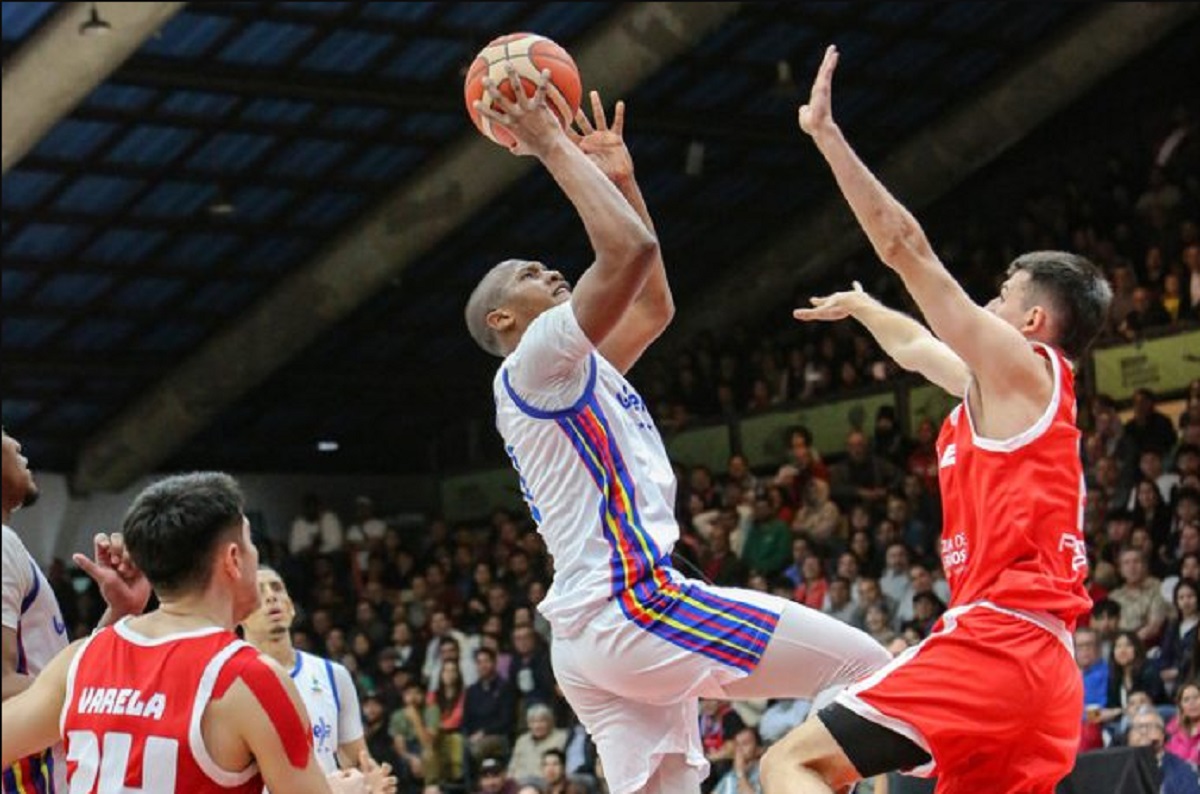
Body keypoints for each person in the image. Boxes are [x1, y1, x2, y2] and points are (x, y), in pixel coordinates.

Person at [464, 70, 888, 794]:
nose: (552, 269)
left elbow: (652, 301)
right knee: (870, 670)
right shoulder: (532, 363)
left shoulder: (575, 370)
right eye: (531, 272)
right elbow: (624, 255)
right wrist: (550, 146)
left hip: (592, 631)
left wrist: (622, 180)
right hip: (634, 605)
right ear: (504, 320)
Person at [764, 46, 1112, 794]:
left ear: (1034, 319)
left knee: (789, 763)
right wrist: (865, 308)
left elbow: (905, 246)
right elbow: (920, 347)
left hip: (999, 645)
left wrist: (827, 136)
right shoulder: (1009, 397)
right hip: (1043, 673)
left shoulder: (1028, 368)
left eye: (1001, 294)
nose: (986, 304)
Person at [0, 472, 392, 793]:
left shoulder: (81, 660)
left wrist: (121, 614)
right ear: (233, 559)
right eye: (251, 544)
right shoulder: (252, 679)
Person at [2, 428, 152, 794]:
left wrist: (118, 613)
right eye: (3, 436)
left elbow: (52, 673)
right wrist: (113, 695)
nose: (17, 443)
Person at [241, 567, 373, 774]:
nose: (271, 597)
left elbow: (357, 761)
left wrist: (373, 781)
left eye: (277, 588)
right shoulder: (230, 684)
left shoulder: (334, 675)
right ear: (239, 614)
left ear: (291, 607)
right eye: (259, 592)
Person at [1127, 707, 1200, 794]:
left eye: (1151, 726)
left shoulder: (1183, 770)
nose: (1144, 732)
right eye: (1138, 727)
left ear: (1162, 735)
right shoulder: (1118, 765)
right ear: (1128, 736)